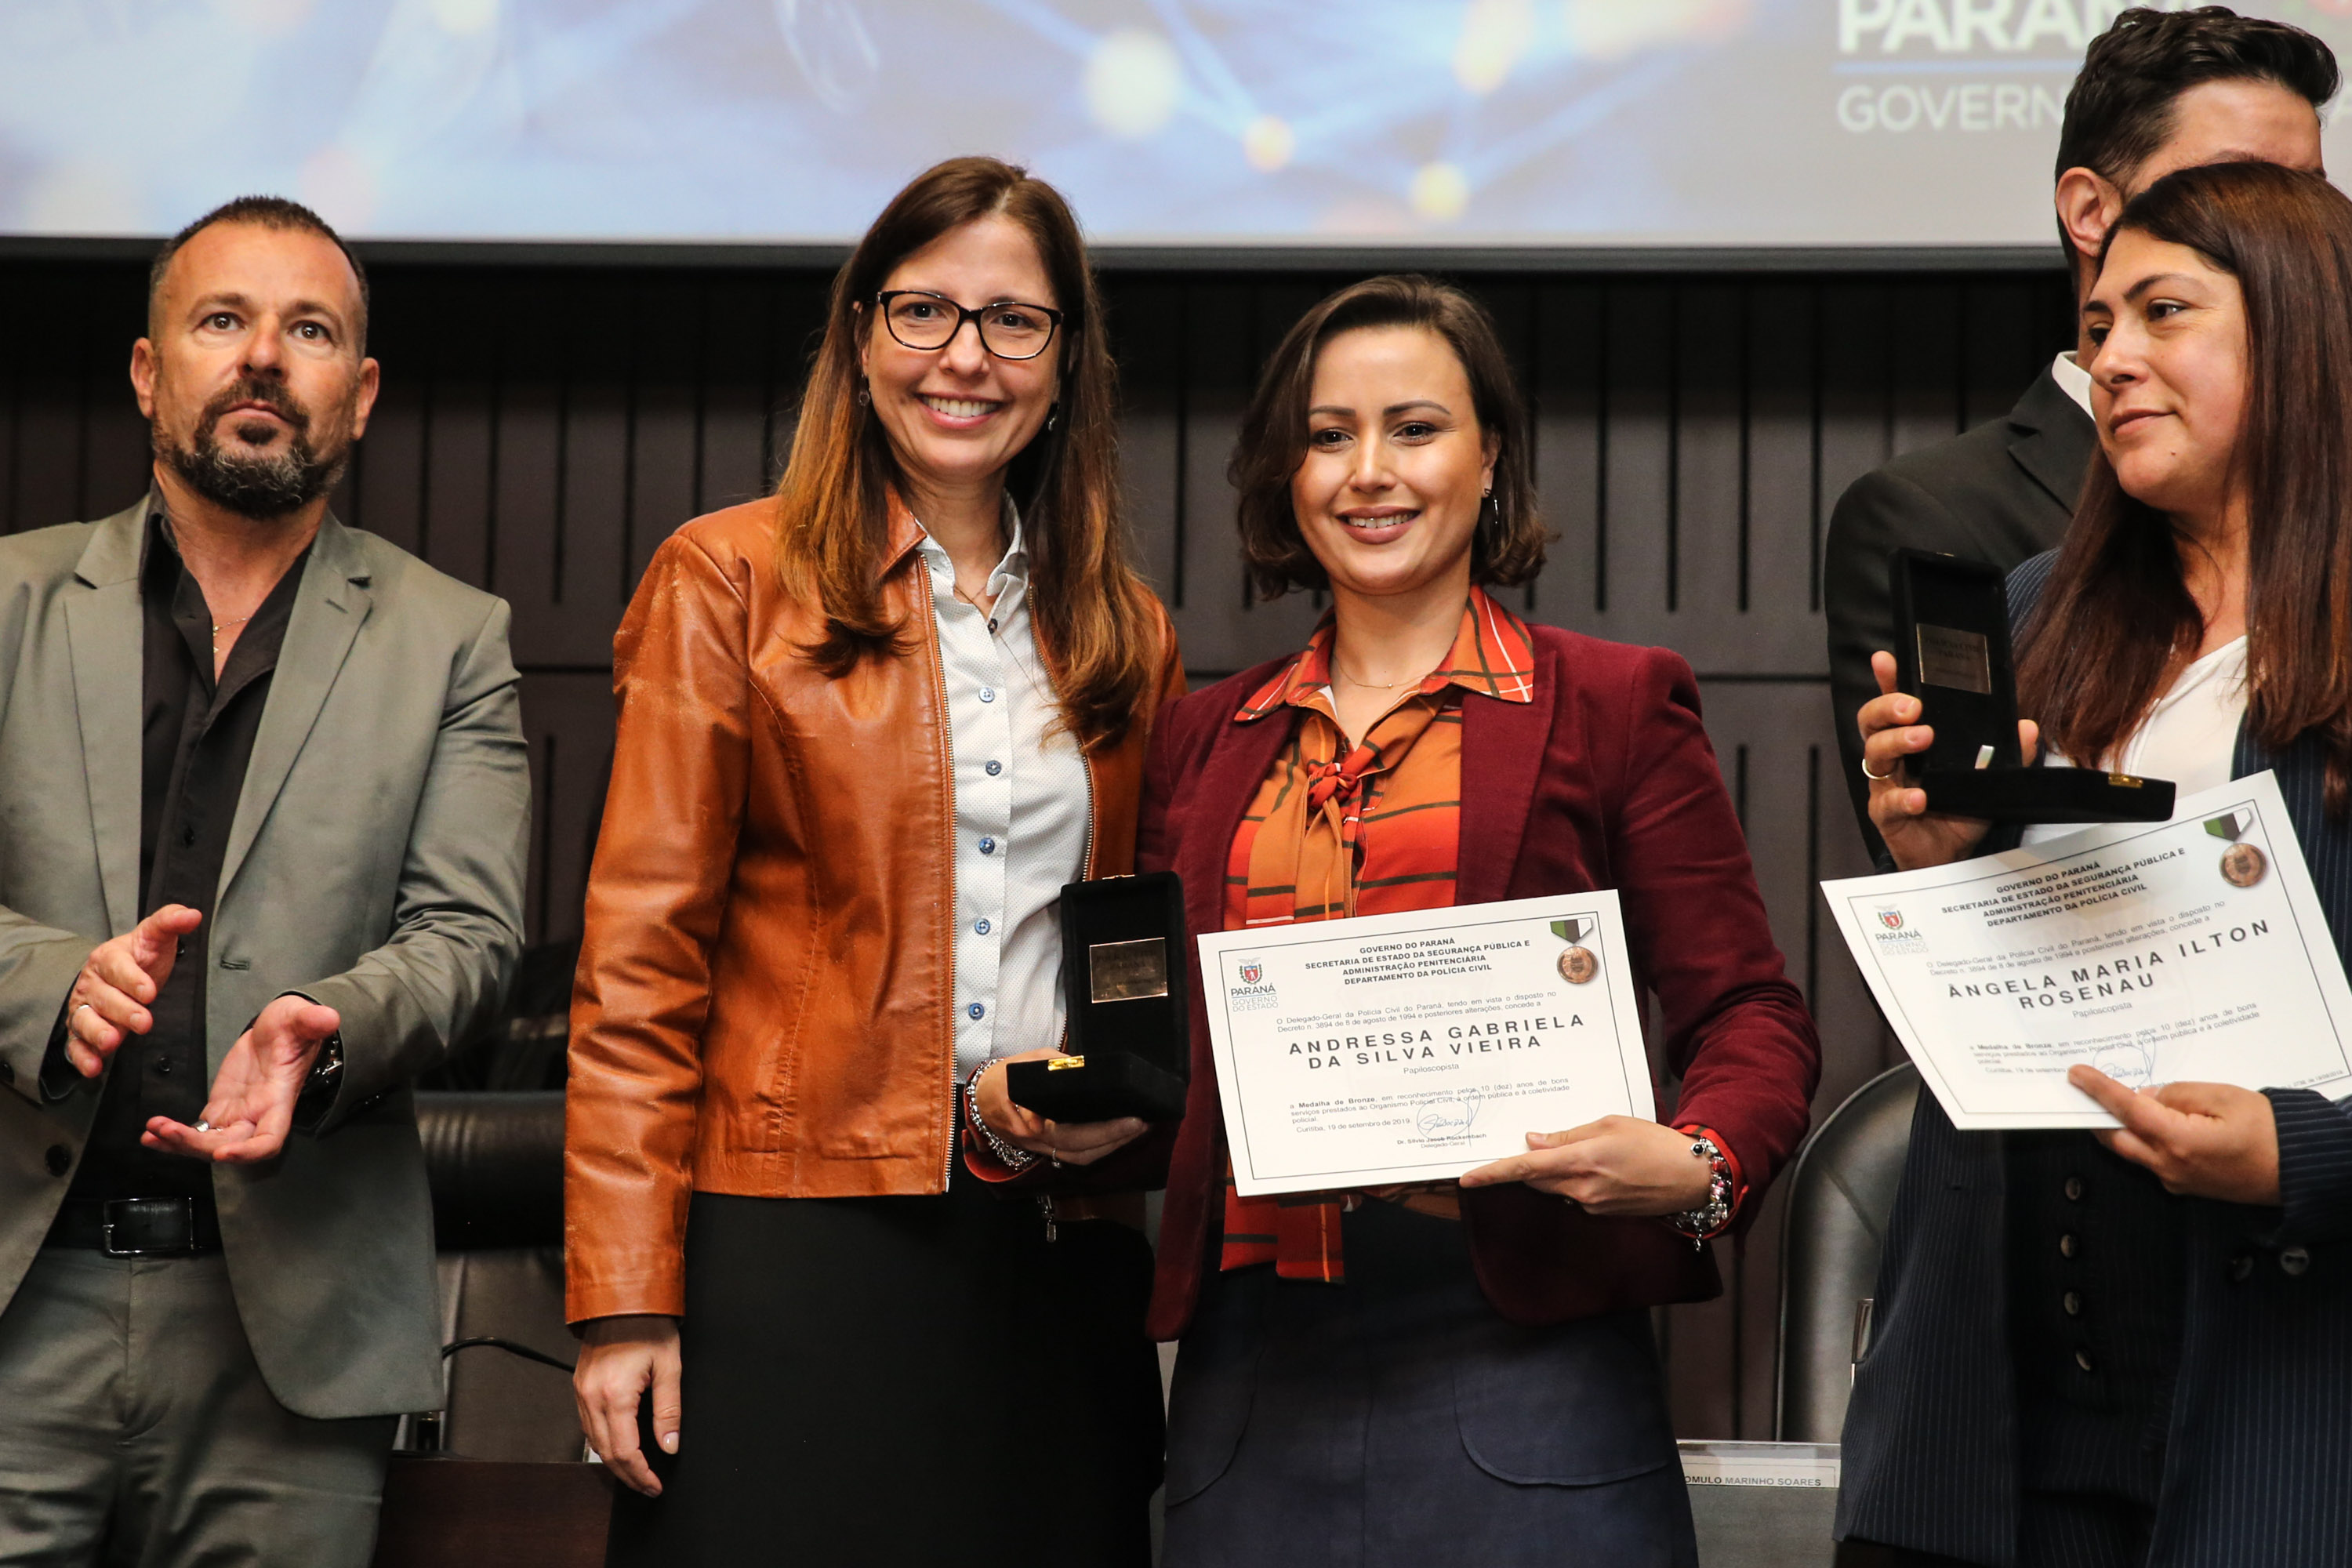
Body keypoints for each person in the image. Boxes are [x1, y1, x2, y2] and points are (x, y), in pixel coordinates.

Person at [1132, 275, 1821, 1567]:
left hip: (1523, 1364)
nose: (1367, 473)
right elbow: (1156, 1055)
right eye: (1329, 435)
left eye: (1415, 427)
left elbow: (1750, 1015)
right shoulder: (1203, 737)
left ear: (1490, 453)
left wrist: (1699, 1164)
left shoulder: (1610, 706)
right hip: (1246, 1382)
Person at [564, 156, 1186, 1568]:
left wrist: (1123, 1114)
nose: (964, 358)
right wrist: (620, 1297)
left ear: (1065, 359)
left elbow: (1124, 946)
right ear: (860, 337)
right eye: (923, 312)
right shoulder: (727, 580)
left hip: (1043, 1249)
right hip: (784, 1248)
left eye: (1014, 321)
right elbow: (638, 965)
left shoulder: (1122, 631)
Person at [0, 197, 528, 1566]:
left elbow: (471, 936)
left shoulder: (452, 639)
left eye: (308, 331)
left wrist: (331, 1026)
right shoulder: (5, 601)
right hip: (19, 1295)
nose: (261, 359)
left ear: (357, 396)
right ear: (147, 370)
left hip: (290, 1331)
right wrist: (47, 983)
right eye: (222, 321)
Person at [1839, 161, 2352, 1566]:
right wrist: (1944, 864)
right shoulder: (2033, 618)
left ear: (2304, 335)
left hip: (2284, 1408)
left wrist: (2296, 1154)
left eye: (2164, 312)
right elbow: (1989, 1014)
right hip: (2002, 1413)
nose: (2111, 357)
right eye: (2098, 319)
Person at [1824, 6, 2335, 856]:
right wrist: (1944, 865)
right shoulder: (2032, 593)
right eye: (2235, 184)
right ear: (2090, 214)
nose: (2118, 361)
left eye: (2309, 192)